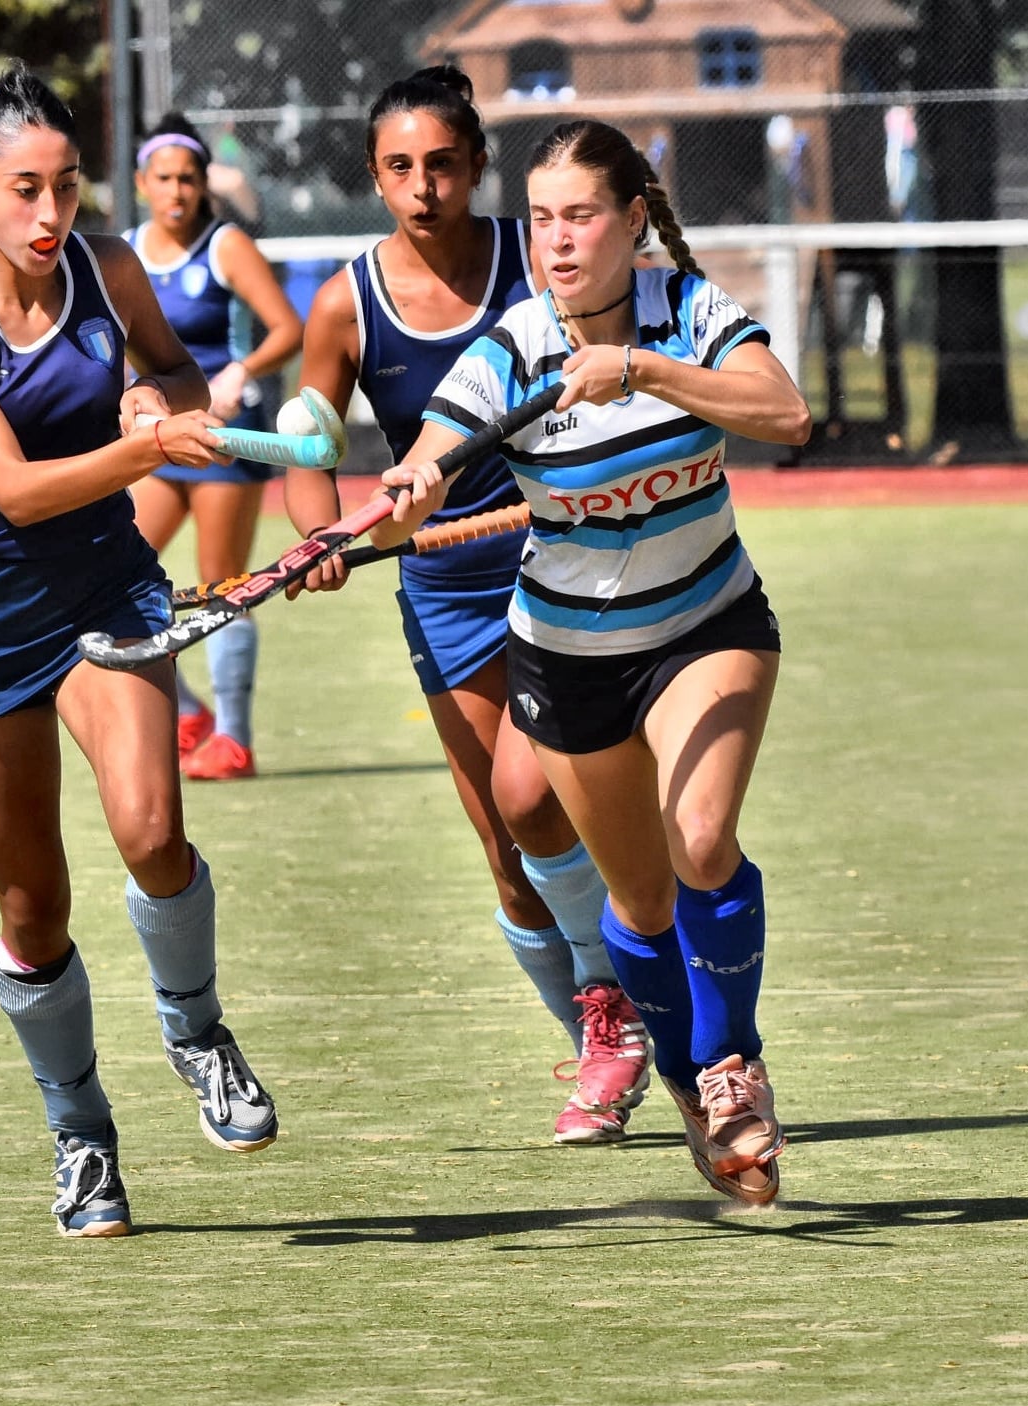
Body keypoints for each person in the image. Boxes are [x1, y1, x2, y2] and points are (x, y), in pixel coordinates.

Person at [374, 119, 812, 1204]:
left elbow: (787, 411)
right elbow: (424, 464)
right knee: (640, 903)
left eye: (579, 218)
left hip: (707, 624)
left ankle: (733, 1069)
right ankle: (684, 1083)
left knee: (702, 838)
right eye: (541, 220)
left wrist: (643, 372)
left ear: (629, 223)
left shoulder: (690, 312)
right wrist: (401, 500)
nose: (556, 241)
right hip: (568, 657)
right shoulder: (508, 350)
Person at [0, 64, 279, 1239]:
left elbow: (175, 368)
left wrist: (161, 399)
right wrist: (150, 452)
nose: (51, 214)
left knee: (155, 833)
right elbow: (7, 488)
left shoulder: (109, 272)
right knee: (34, 910)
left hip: (107, 589)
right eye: (24, 190)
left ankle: (197, 1033)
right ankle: (81, 1137)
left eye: (66, 186)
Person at [284, 68, 651, 1146]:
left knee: (557, 798)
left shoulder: (539, 260)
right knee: (506, 838)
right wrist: (322, 533)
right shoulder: (346, 300)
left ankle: (630, 1011)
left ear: (477, 165)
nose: (423, 186)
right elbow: (311, 440)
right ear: (374, 176)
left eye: (442, 163)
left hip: (568, 558)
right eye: (399, 167)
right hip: (441, 579)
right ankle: (607, 1037)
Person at [127, 112, 303, 779]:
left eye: (189, 179)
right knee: (113, 585)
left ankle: (232, 739)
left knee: (219, 590)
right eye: (164, 178)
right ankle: (185, 714)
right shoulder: (124, 251)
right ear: (144, 183)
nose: (176, 191)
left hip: (226, 440)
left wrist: (241, 371)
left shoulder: (224, 245)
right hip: (161, 442)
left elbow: (287, 328)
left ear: (203, 185)